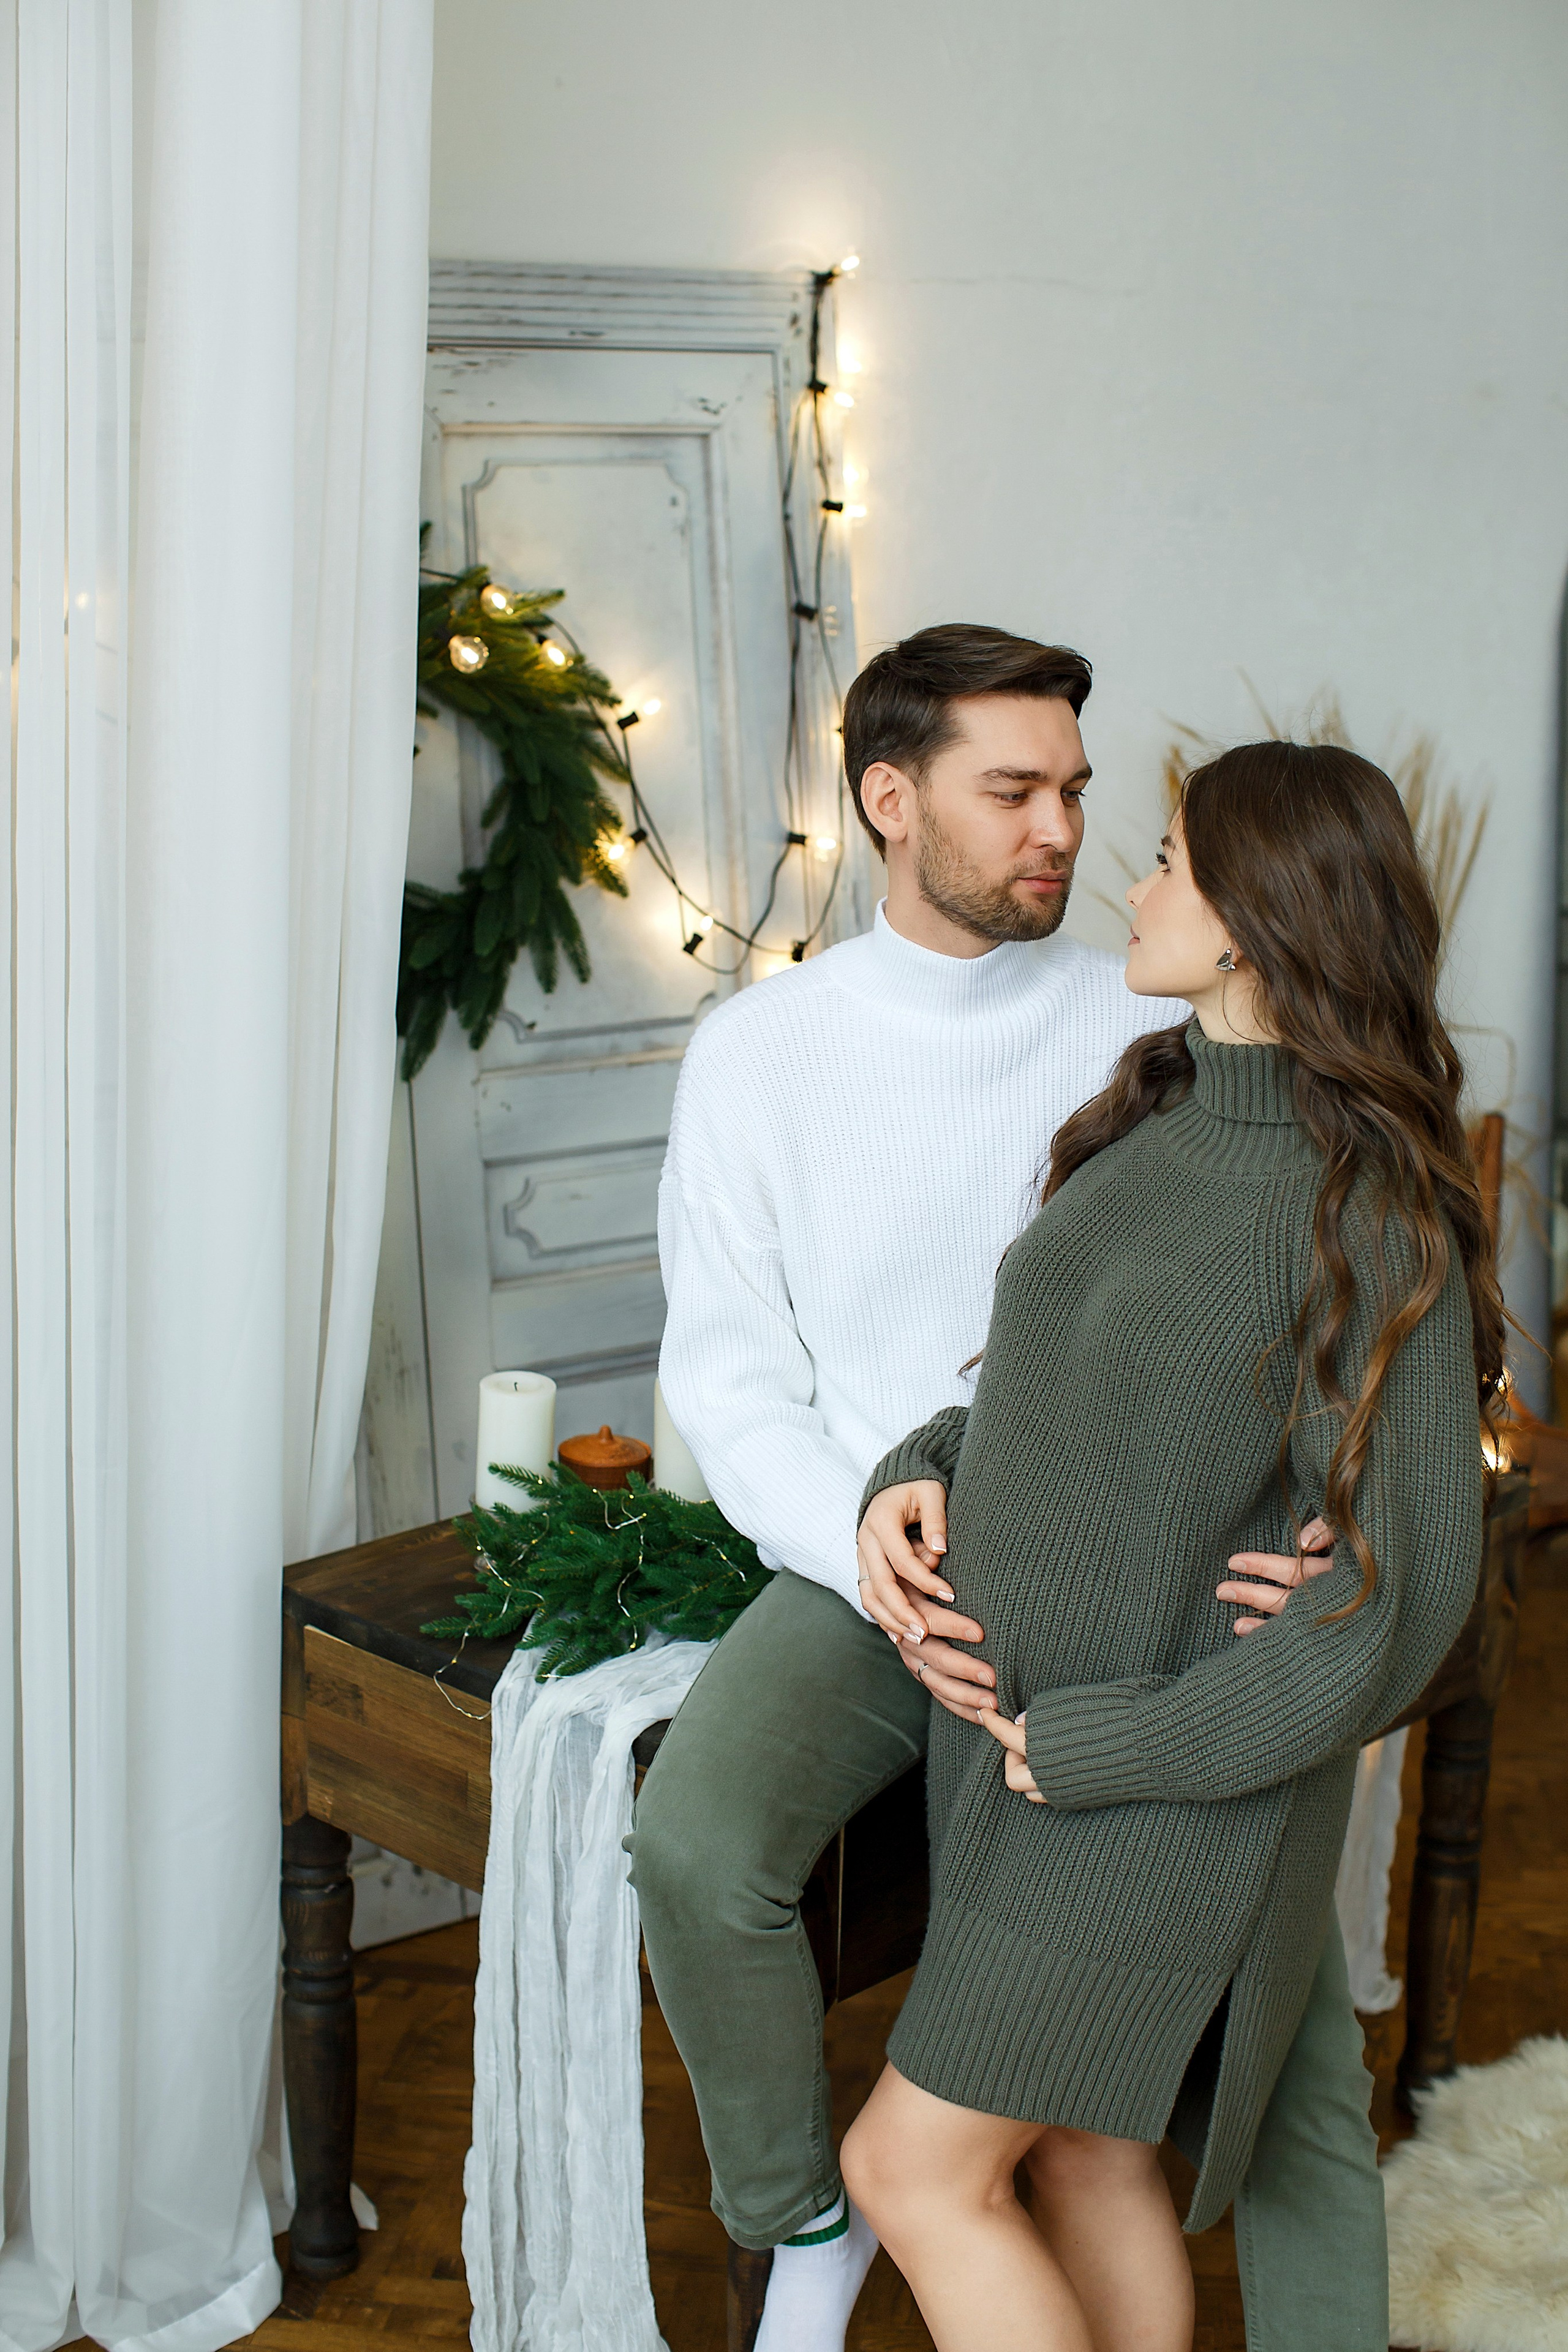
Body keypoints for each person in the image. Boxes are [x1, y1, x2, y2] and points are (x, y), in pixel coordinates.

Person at [630, 628, 1375, 2352]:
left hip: (1135, 1572)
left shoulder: (1145, 1015)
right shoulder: (760, 1055)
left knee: (1220, 2075)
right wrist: (869, 1556)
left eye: (1080, 795)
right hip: (868, 1552)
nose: (1064, 831)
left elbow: (1338, 1260)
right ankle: (804, 2223)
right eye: (1014, 792)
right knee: (697, 1843)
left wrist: (1343, 1499)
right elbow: (733, 1372)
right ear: (893, 801)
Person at [841, 739, 1500, 2352]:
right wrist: (909, 1473)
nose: (1132, 882)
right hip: (1018, 1761)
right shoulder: (1158, 1117)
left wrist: (1101, 1743)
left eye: (1176, 863)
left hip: (1145, 1794)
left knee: (906, 2169)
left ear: (1261, 922)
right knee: (1083, 2158)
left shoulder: (1370, 1210)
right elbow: (1049, 1397)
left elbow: (1390, 1616)